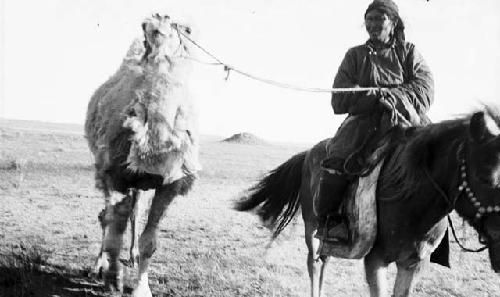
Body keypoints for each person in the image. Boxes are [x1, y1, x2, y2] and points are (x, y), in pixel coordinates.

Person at [314, 0, 434, 244]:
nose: (372, 24)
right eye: (369, 19)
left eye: (379, 19)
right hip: (364, 122)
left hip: (404, 118)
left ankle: (432, 226)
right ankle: (331, 223)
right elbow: (338, 98)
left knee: (437, 157)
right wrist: (366, 95)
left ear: (393, 23)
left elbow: (425, 88)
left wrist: (394, 95)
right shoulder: (355, 55)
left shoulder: (409, 52)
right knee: (339, 157)